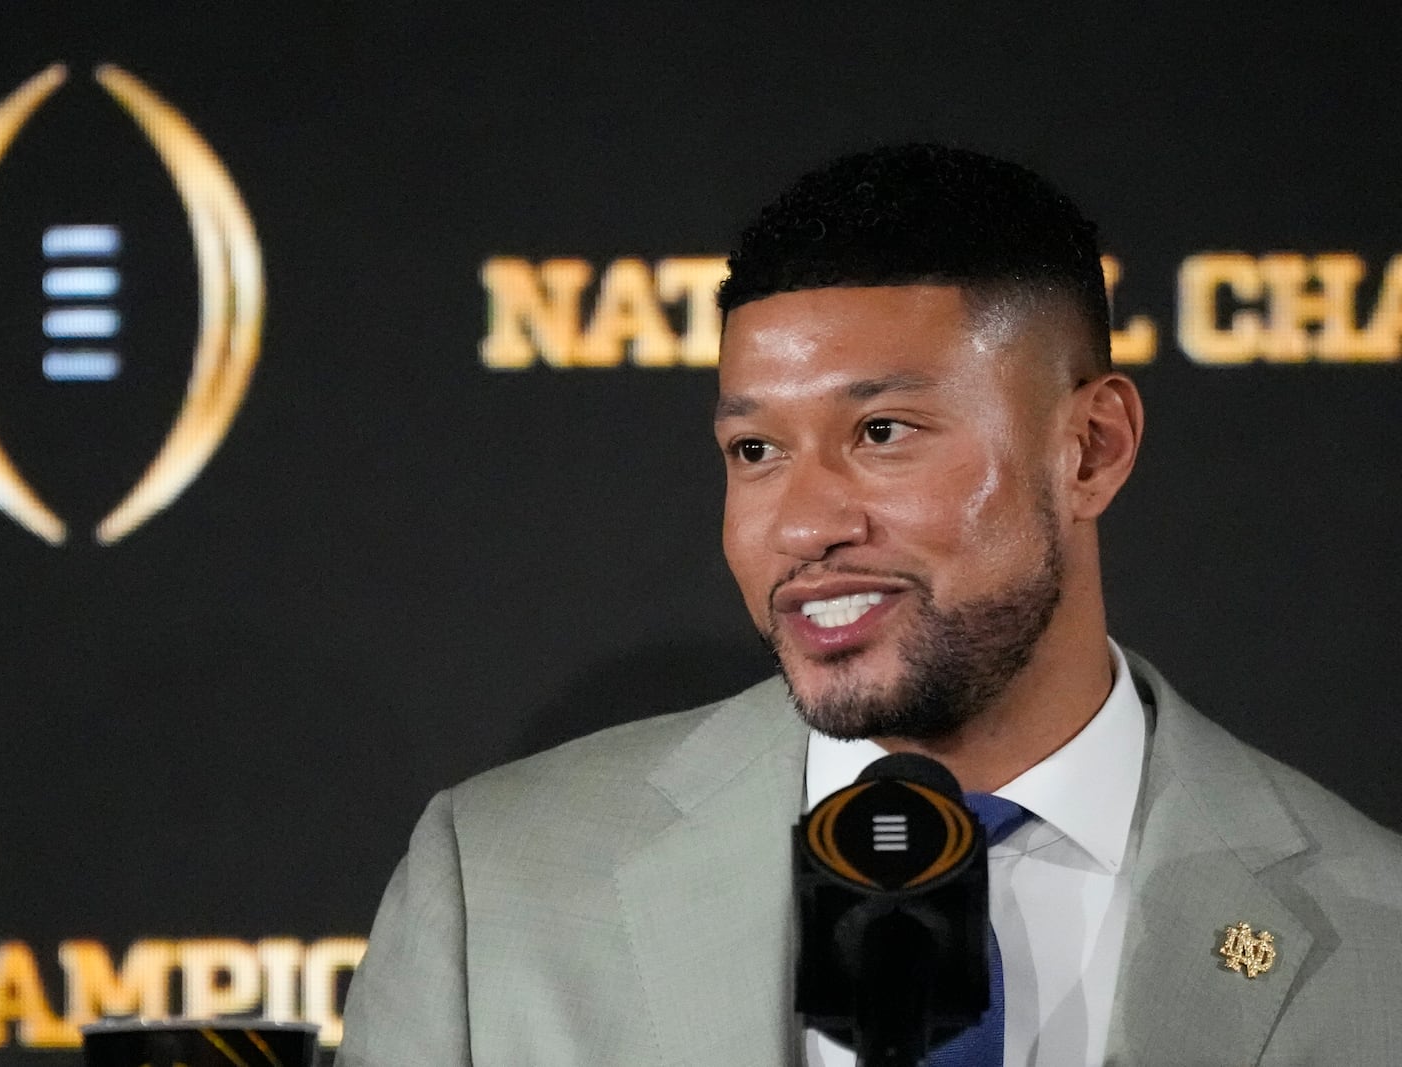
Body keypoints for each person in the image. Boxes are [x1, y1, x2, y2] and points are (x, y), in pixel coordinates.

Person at [335, 144, 1402, 1066]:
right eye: (753, 450)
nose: (800, 525)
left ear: (1089, 449)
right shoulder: (500, 884)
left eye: (882, 432)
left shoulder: (1380, 934)